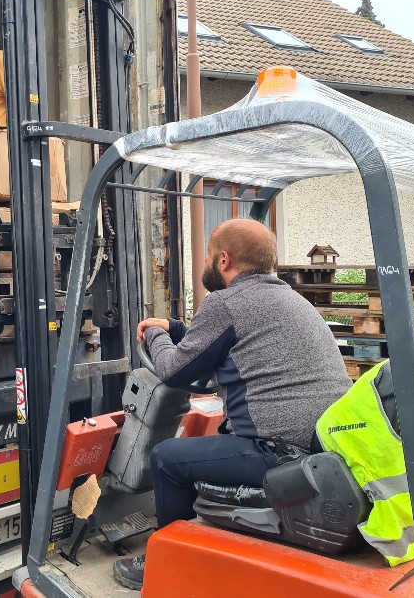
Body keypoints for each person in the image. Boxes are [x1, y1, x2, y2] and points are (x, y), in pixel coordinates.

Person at [113, 218, 352, 590]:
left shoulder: (225, 302)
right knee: (208, 445)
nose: (206, 261)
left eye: (208, 254)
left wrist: (156, 333)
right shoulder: (289, 298)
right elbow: (217, 340)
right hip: (322, 445)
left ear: (223, 260)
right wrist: (176, 328)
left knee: (166, 459)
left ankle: (167, 561)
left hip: (276, 451)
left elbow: (174, 371)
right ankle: (206, 534)